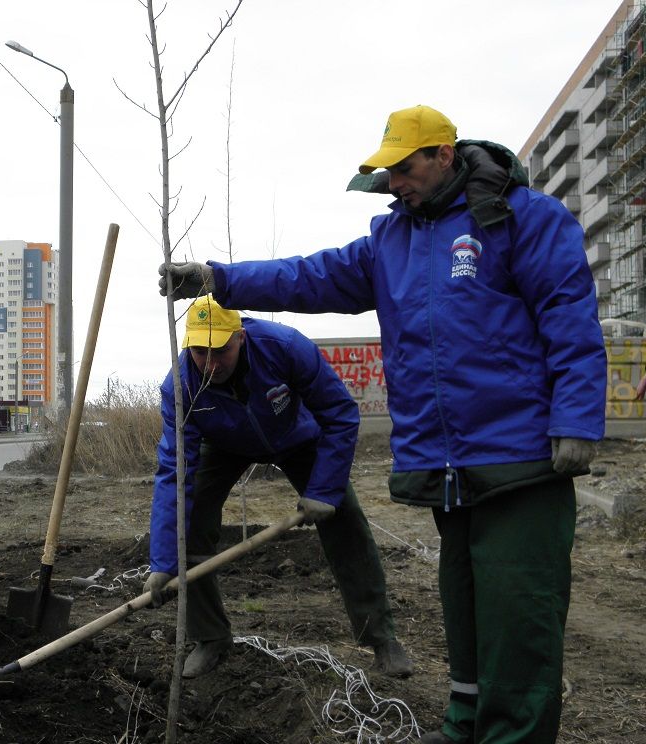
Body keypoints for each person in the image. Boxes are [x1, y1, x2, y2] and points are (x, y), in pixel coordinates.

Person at [158, 106, 606, 743]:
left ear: (444, 155)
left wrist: (577, 418)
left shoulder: (520, 219)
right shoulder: (391, 242)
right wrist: (218, 278)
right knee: (466, 603)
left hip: (521, 455)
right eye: (386, 171)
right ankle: (464, 723)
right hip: (448, 465)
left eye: (404, 167)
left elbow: (569, 316)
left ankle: (513, 736)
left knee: (519, 615)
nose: (393, 181)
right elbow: (306, 276)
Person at [143, 294, 413, 680]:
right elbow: (174, 472)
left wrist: (324, 489)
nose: (210, 363)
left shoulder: (284, 348)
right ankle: (211, 638)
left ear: (240, 337)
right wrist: (164, 561)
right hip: (223, 443)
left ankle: (382, 639)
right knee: (192, 525)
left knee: (345, 518)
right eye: (200, 352)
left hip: (295, 436)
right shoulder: (180, 388)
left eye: (219, 349)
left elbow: (339, 414)